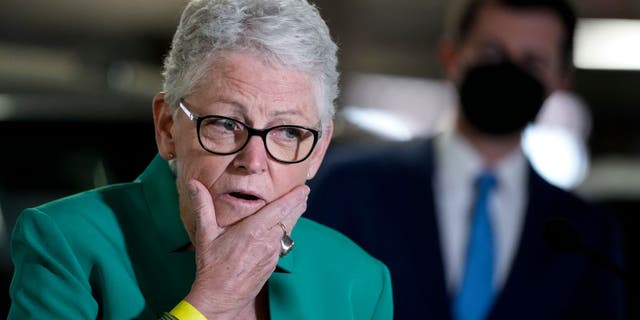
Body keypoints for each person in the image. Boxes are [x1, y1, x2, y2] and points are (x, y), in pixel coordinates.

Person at [8, 0, 393, 319]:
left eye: (289, 132)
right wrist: (210, 303)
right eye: (226, 124)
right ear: (167, 127)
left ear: (319, 150)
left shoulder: (359, 280)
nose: (254, 160)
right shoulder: (65, 242)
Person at [306, 0, 624, 319]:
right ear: (451, 56)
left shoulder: (586, 234)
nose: (508, 72)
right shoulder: (350, 187)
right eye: (491, 53)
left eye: (532, 63)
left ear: (561, 81)